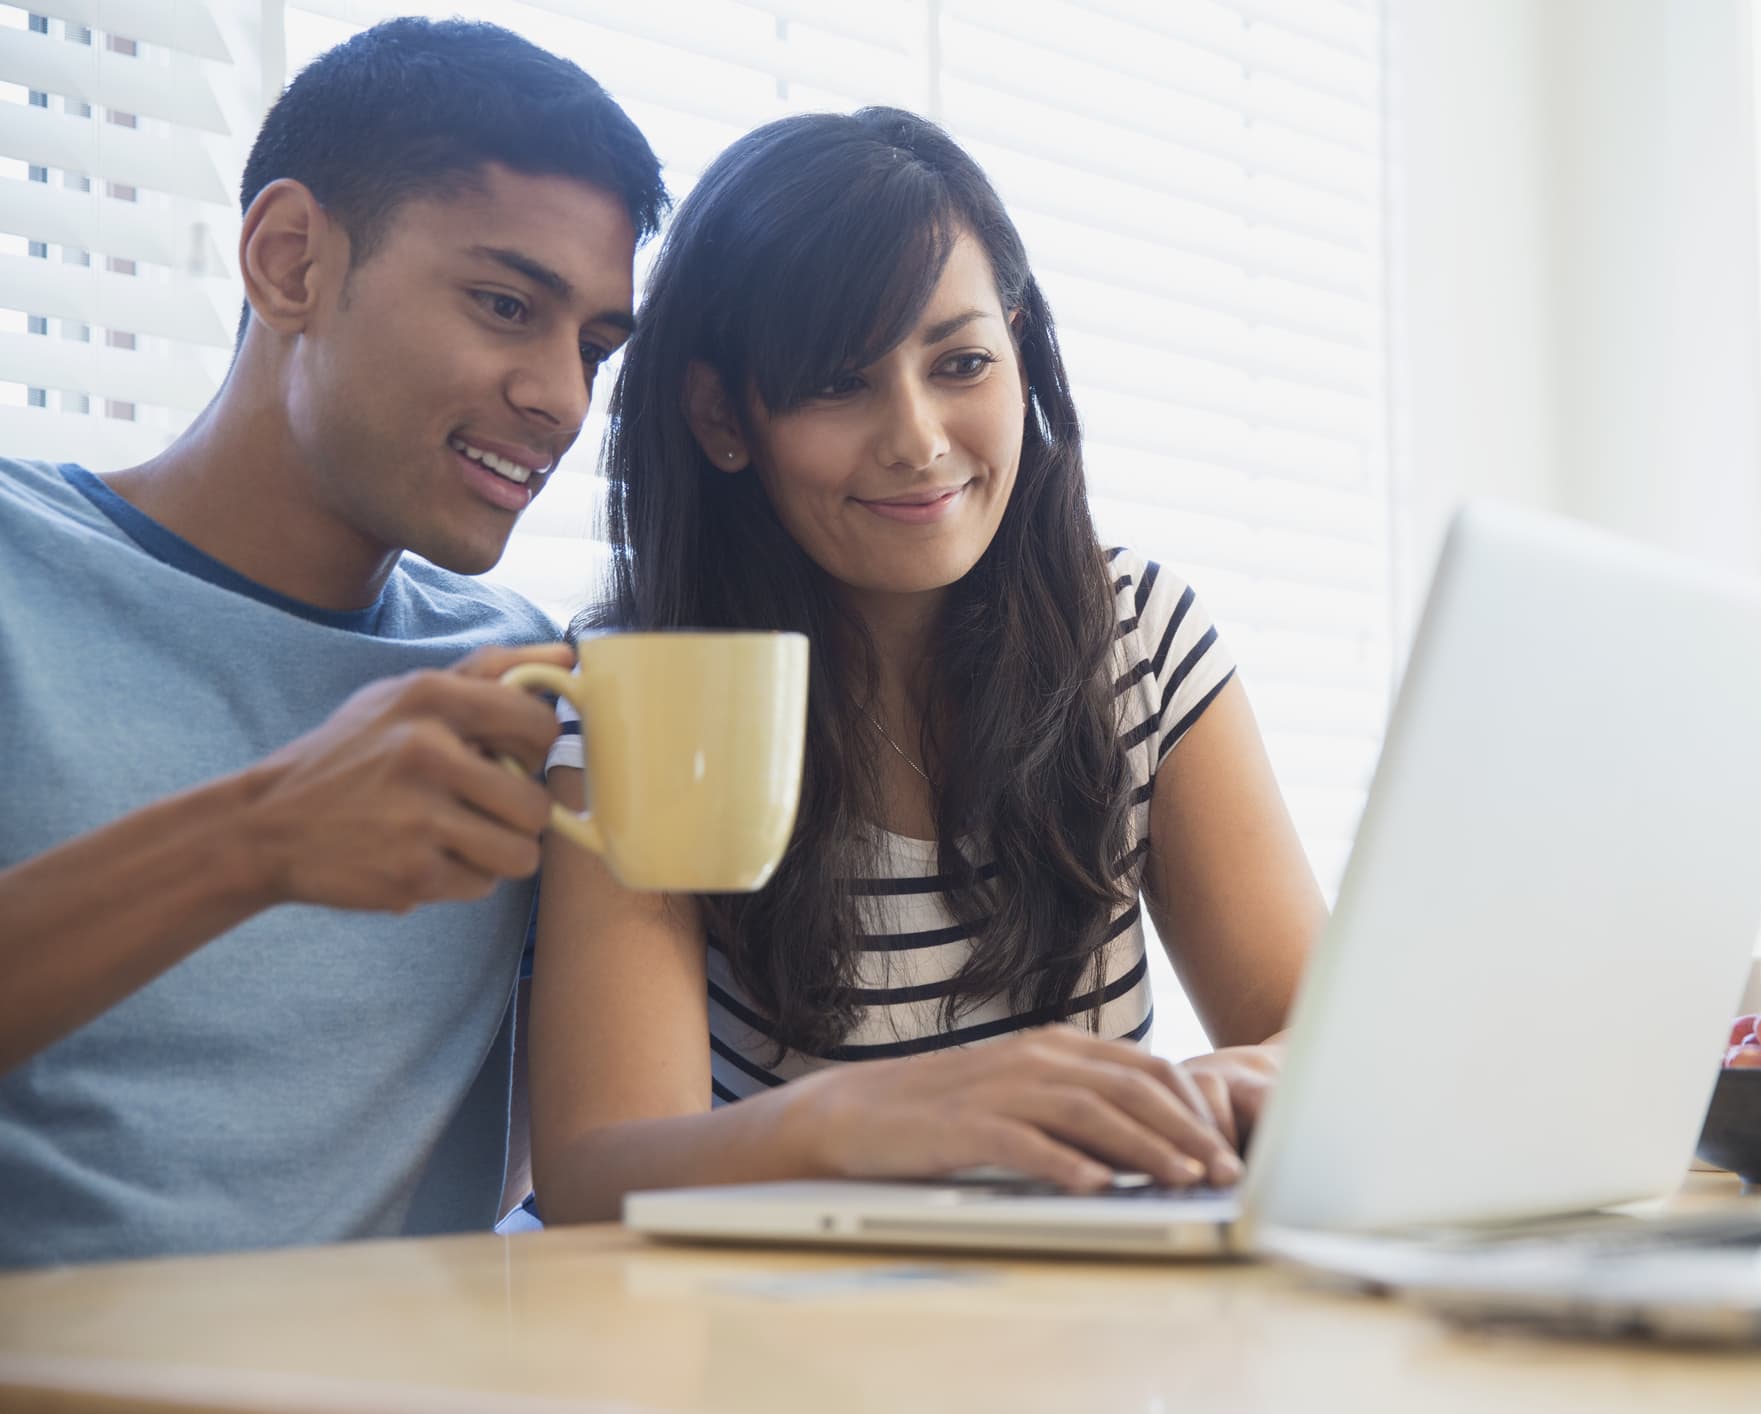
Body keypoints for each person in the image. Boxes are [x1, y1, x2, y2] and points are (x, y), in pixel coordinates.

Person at [526, 109, 1326, 1224]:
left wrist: (1248, 1080)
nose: (917, 438)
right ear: (722, 415)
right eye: (838, 384)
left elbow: (1329, 1035)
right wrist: (859, 1123)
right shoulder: (649, 692)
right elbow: (594, 1171)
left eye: (960, 363)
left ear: (1020, 346)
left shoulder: (1134, 629)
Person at [0, 18, 666, 1268]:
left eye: (592, 348)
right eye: (505, 304)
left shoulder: (522, 683)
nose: (562, 400)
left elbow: (584, 1134)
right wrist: (255, 839)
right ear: (290, 259)